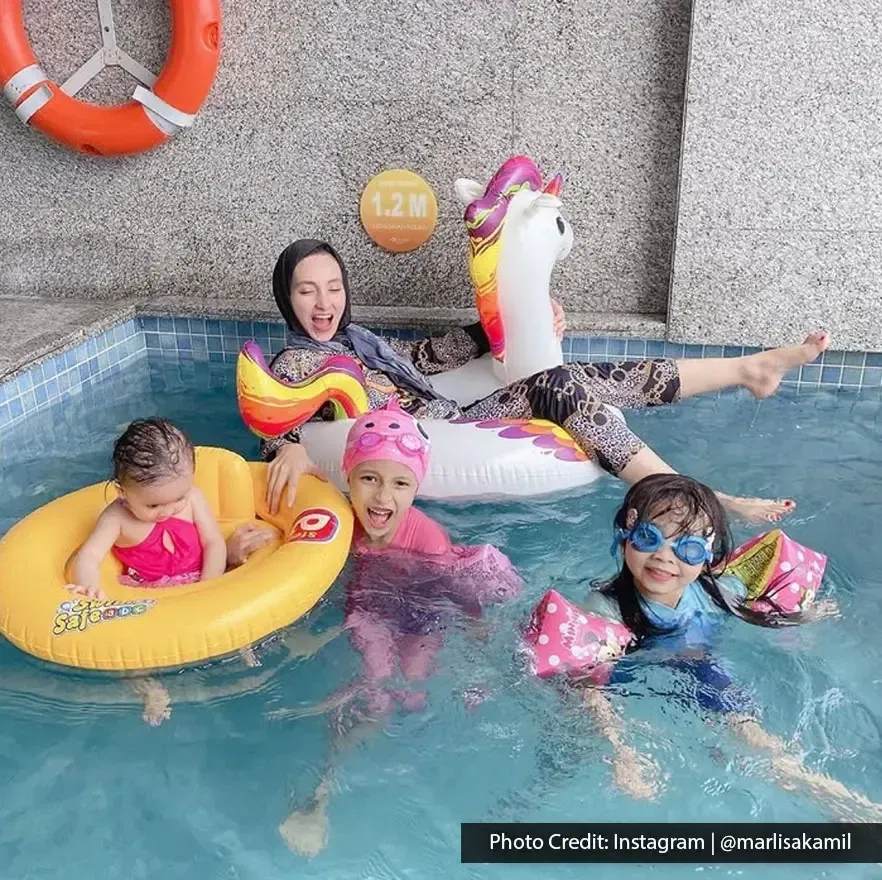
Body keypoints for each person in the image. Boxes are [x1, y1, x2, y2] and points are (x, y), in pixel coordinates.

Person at [234, 238, 829, 569]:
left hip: (452, 417)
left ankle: (746, 369)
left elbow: (423, 358)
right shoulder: (297, 364)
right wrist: (288, 447)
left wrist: (521, 321)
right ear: (287, 297)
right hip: (437, 436)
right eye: (307, 291)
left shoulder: (359, 342)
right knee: (563, 385)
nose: (324, 303)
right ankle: (698, 493)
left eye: (333, 287)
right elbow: (279, 427)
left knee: (576, 377)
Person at [539, 474, 881, 821]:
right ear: (625, 536)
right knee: (620, 730)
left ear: (706, 555)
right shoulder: (606, 607)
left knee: (756, 739)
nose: (664, 557)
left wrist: (807, 615)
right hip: (632, 678)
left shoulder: (714, 592)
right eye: (649, 537)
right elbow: (588, 686)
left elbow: (761, 610)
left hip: (702, 672)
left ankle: (835, 799)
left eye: (686, 548)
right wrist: (619, 749)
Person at [264, 402, 521, 858]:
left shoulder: (429, 539)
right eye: (369, 478)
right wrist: (292, 450)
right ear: (348, 476)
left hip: (421, 615)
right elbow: (303, 480)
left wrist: (477, 625)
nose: (382, 497)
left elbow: (453, 589)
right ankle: (322, 792)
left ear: (416, 487)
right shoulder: (338, 522)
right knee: (377, 691)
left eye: (400, 483)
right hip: (371, 613)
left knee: (414, 692)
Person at [65, 418, 248, 726]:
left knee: (236, 607)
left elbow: (213, 543)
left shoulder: (193, 500)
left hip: (200, 579)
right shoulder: (117, 519)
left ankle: (242, 648)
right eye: (153, 506)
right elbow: (88, 557)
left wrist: (208, 585)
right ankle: (150, 689)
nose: (168, 510)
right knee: (126, 653)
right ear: (123, 492)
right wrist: (89, 587)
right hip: (150, 597)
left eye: (178, 498)